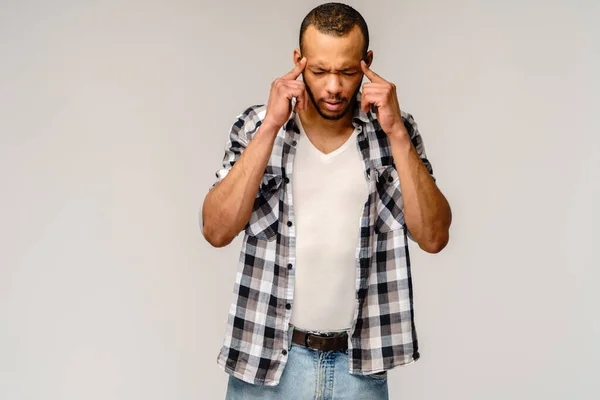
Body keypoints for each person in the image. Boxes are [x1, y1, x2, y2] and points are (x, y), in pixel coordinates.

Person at [200, 2, 452, 399]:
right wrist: (269, 128)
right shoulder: (256, 125)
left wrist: (398, 134)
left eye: (348, 71)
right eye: (319, 71)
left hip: (359, 369)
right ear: (298, 62)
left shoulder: (393, 133)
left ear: (367, 63)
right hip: (267, 365)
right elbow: (215, 230)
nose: (333, 87)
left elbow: (435, 237)